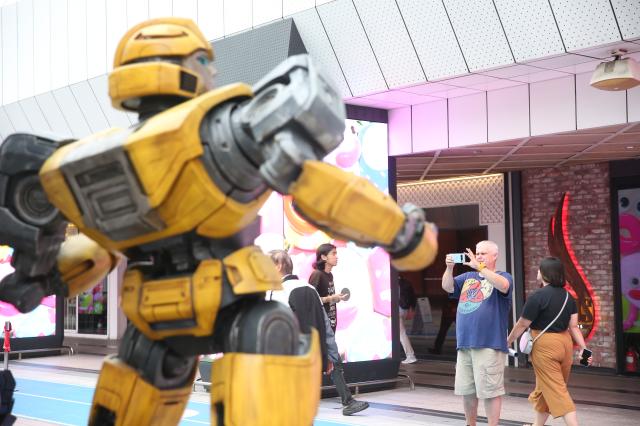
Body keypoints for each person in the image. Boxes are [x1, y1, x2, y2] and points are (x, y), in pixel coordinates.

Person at [0, 17, 438, 425]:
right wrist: (402, 232)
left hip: (157, 321)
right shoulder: (226, 130)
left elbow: (98, 247)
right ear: (197, 66)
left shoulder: (87, 162)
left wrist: (43, 278)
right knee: (271, 340)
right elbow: (319, 190)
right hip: (228, 308)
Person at [269, 250, 369, 416]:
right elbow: (324, 322)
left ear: (278, 266)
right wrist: (330, 350)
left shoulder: (277, 291)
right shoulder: (308, 287)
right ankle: (348, 401)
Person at [507, 257, 593, 426]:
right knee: (547, 387)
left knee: (557, 390)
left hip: (545, 345)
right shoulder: (569, 297)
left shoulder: (537, 296)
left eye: (539, 269)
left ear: (546, 273)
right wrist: (583, 349)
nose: (538, 272)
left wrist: (508, 341)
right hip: (565, 343)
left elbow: (523, 323)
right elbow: (574, 327)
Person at [441, 240, 513, 426]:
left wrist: (480, 268)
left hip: (489, 343)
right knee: (467, 390)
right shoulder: (467, 276)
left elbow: (503, 286)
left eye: (483, 253)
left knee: (490, 390)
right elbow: (448, 287)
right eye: (477, 253)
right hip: (465, 343)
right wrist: (449, 269)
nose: (479, 256)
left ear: (495, 256)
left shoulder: (503, 275)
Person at [398, 276, 417, 363]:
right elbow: (413, 297)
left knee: (401, 333)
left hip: (396, 310)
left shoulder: (389, 282)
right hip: (404, 309)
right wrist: (411, 309)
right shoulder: (406, 282)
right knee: (396, 333)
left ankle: (410, 355)